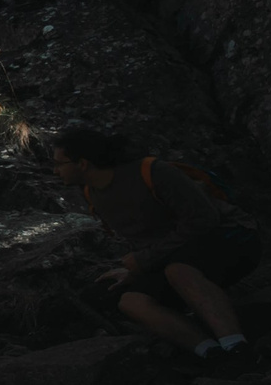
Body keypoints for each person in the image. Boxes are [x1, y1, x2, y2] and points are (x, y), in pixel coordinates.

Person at [50, 124, 260, 360]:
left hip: (233, 239)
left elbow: (204, 219)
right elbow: (146, 241)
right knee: (131, 301)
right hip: (179, 254)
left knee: (178, 270)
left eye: (60, 164)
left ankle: (237, 347)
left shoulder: (151, 171)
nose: (55, 171)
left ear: (83, 163)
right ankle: (211, 353)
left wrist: (144, 260)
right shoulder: (92, 194)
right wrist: (137, 269)